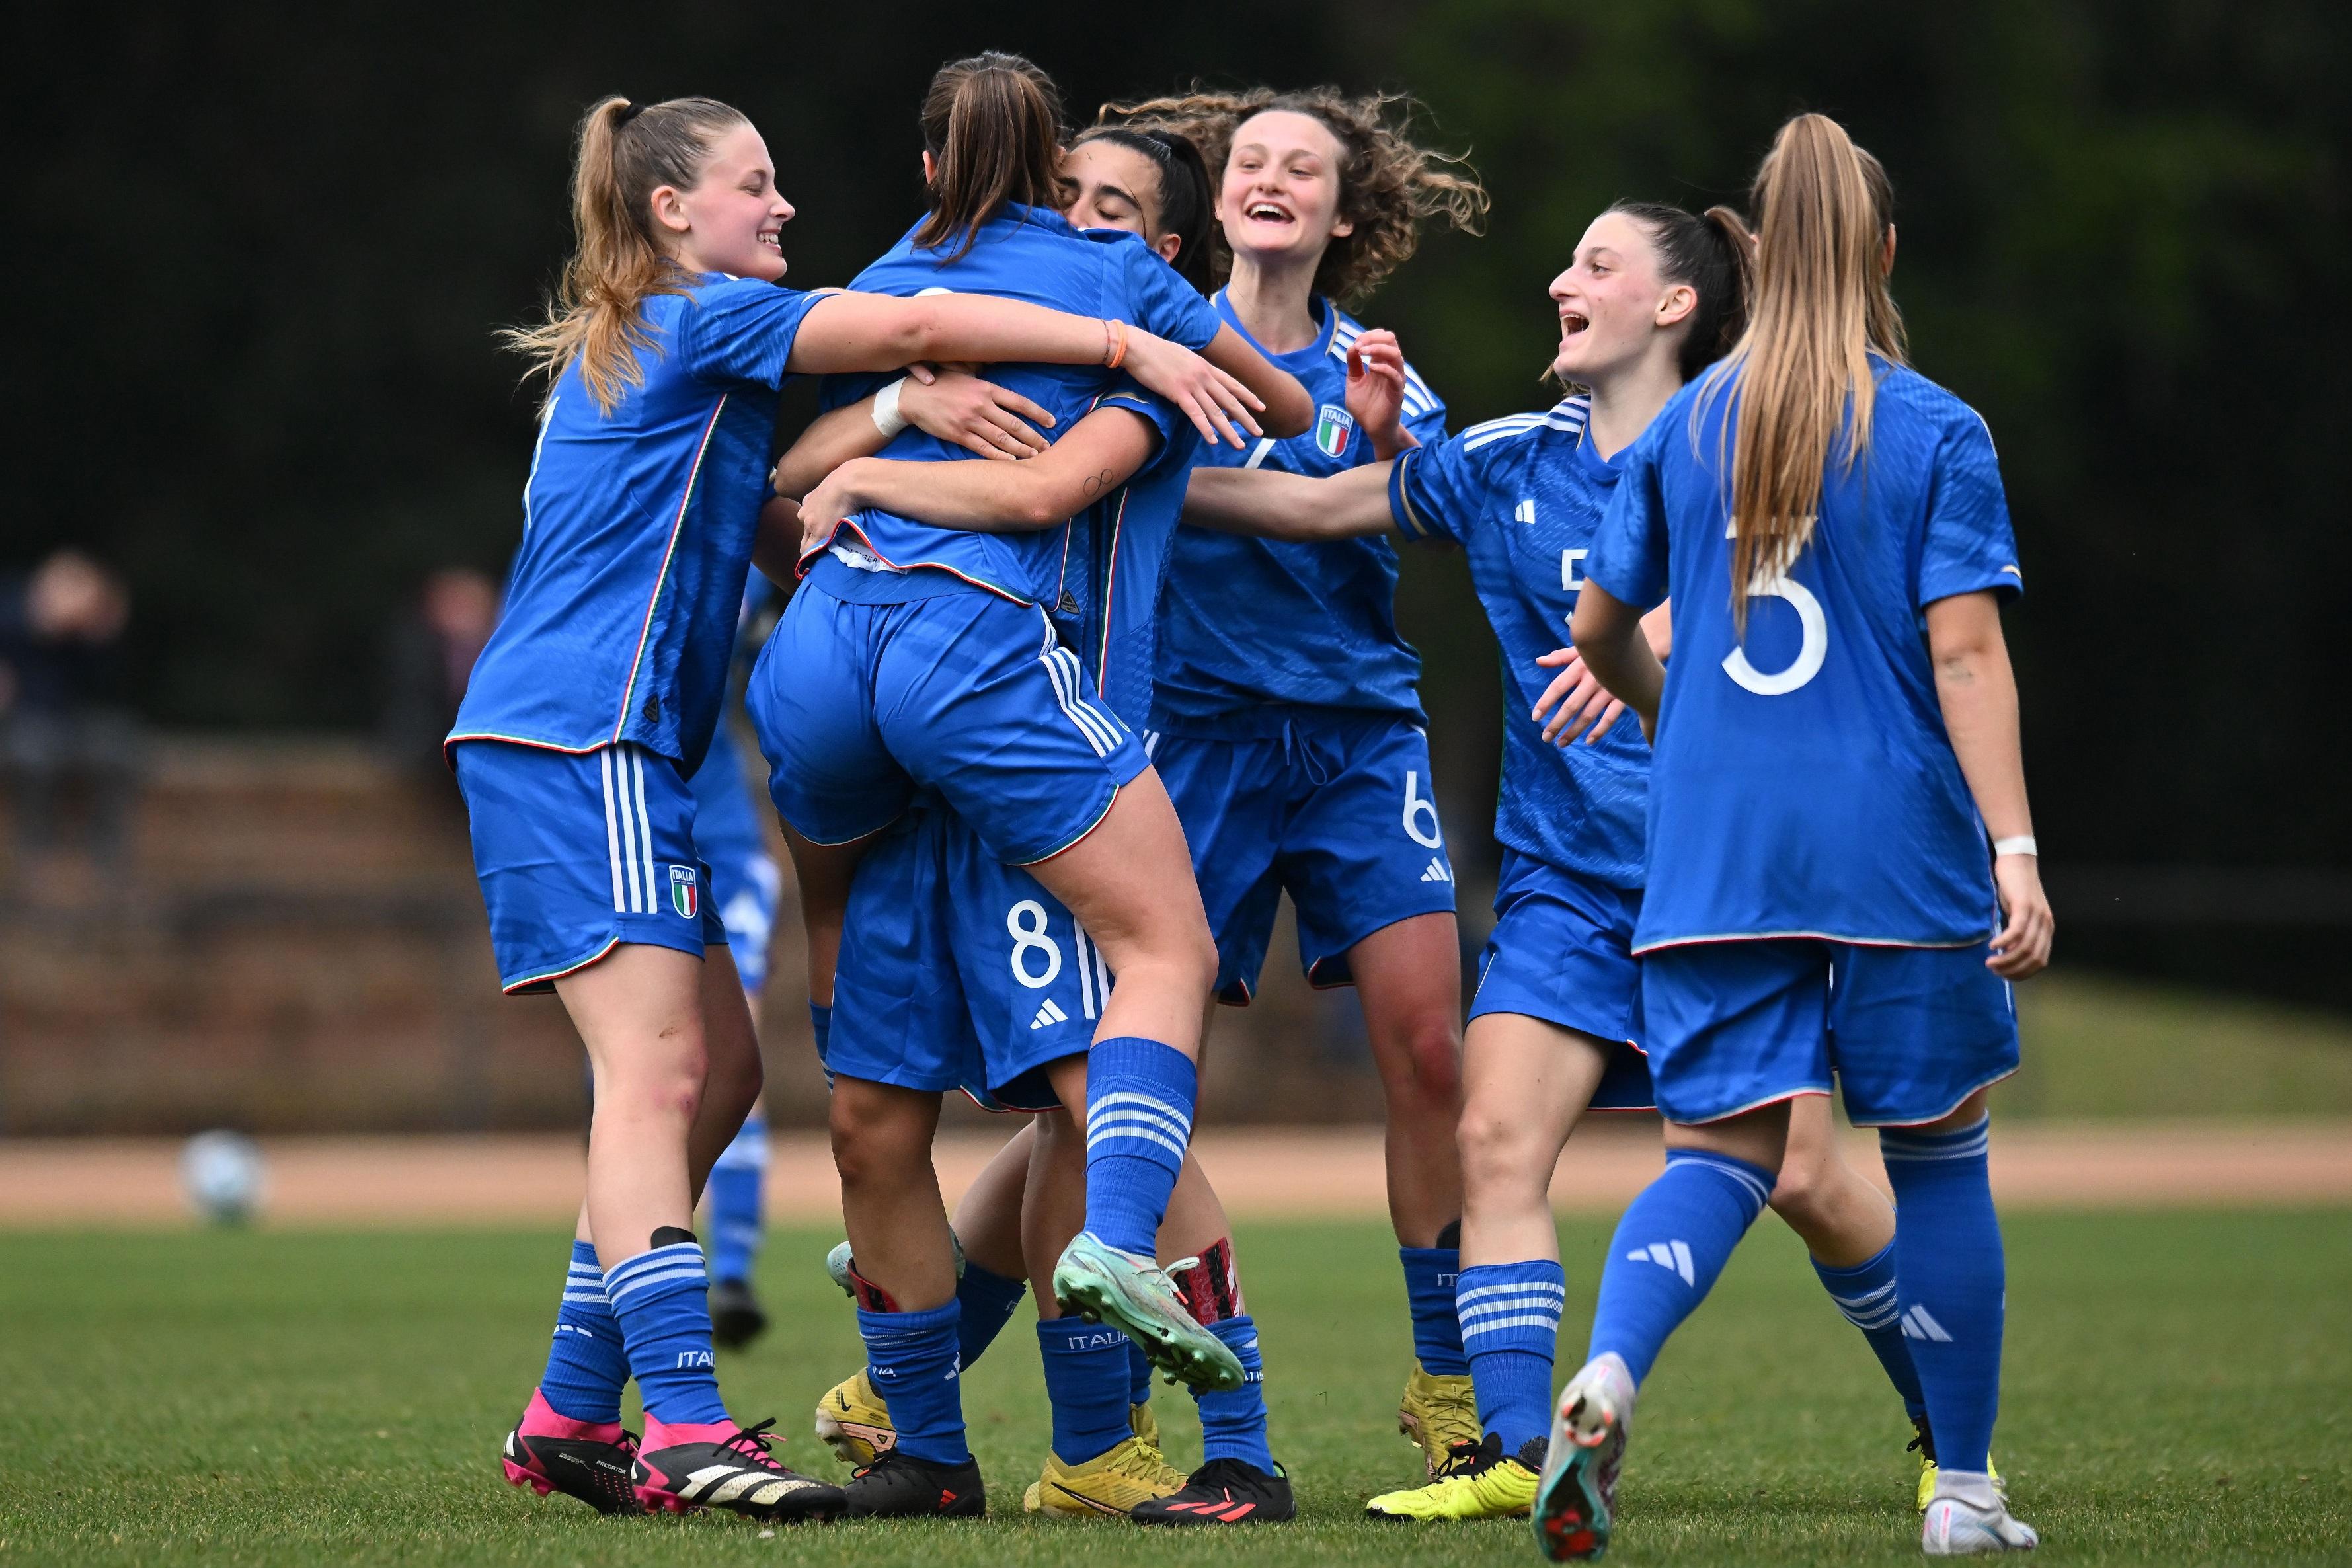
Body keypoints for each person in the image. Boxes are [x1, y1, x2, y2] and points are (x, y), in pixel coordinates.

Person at [457, 89, 1261, 1525]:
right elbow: (897, 326)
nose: (781, 207)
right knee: (655, 1082)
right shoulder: (696, 314)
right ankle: (689, 1424)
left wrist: (888, 439)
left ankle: (571, 1408)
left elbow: (774, 520)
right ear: (667, 214)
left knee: (726, 1076)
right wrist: (1135, 336)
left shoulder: (658, 346)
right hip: (589, 739)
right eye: (753, 185)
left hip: (592, 738)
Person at [1187, 194, 1983, 1522]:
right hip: (1562, 883)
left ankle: (1943, 1415)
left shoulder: (1758, 453)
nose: (1563, 278)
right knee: (1494, 1134)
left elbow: (1866, 560)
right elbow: (1323, 505)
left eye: (1597, 263)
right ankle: (1517, 1452)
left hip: (1726, 884)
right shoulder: (1504, 462)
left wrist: (1671, 614)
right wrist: (1119, 475)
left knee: (1802, 1174)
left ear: (1675, 306)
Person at [745, 53, 1311, 1519]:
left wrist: (873, 468)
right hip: (962, 726)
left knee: (1060, 1091)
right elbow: (800, 474)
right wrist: (896, 419)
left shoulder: (1128, 344)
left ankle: (1197, 1442)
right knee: (947, 1107)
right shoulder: (1034, 308)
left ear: (1163, 250)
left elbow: (1033, 492)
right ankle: (989, 1448)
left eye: (1116, 208)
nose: (1083, 223)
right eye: (1072, 193)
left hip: (980, 713)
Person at [1536, 114, 2053, 1561]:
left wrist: (1673, 718)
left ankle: (1614, 1371)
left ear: (1752, 260)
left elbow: (1596, 634)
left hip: (1716, 852)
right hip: (1897, 850)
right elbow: (1964, 659)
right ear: (1885, 253)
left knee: (1716, 1151)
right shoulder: (1938, 427)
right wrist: (2013, 850)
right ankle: (1962, 1490)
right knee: (1939, 1157)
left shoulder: (1686, 425)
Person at [1097, 83, 1495, 1479]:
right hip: (1190, 742)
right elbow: (1092, 475)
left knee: (1433, 1052)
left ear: (1342, 212)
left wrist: (1385, 448)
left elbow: (1424, 509)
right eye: (1249, 160)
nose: (1270, 178)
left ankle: (1448, 1383)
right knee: (1126, 1082)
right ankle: (1075, 1388)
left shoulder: (1385, 372)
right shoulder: (1145, 344)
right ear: (1216, 203)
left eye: (1302, 167)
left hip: (1354, 745)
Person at [0, 549, 140, 872]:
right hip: (22, 726)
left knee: (119, 745)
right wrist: (40, 623)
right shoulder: (10, 610)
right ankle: (36, 850)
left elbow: (110, 688)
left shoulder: (85, 634)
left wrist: (104, 630)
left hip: (70, 724)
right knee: (34, 753)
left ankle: (106, 853)